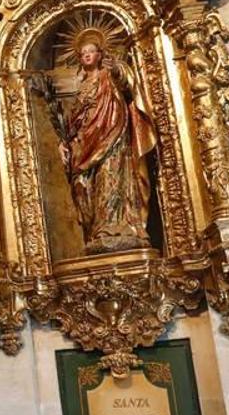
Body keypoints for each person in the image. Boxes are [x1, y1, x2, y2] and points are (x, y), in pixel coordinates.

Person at [58, 32, 157, 254]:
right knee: (87, 186)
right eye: (83, 53)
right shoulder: (82, 85)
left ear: (100, 54)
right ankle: (98, 230)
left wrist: (117, 68)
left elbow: (128, 84)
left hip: (113, 134)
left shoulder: (109, 74)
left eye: (91, 52)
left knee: (113, 178)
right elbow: (75, 118)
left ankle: (119, 227)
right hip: (87, 143)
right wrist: (65, 142)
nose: (86, 56)